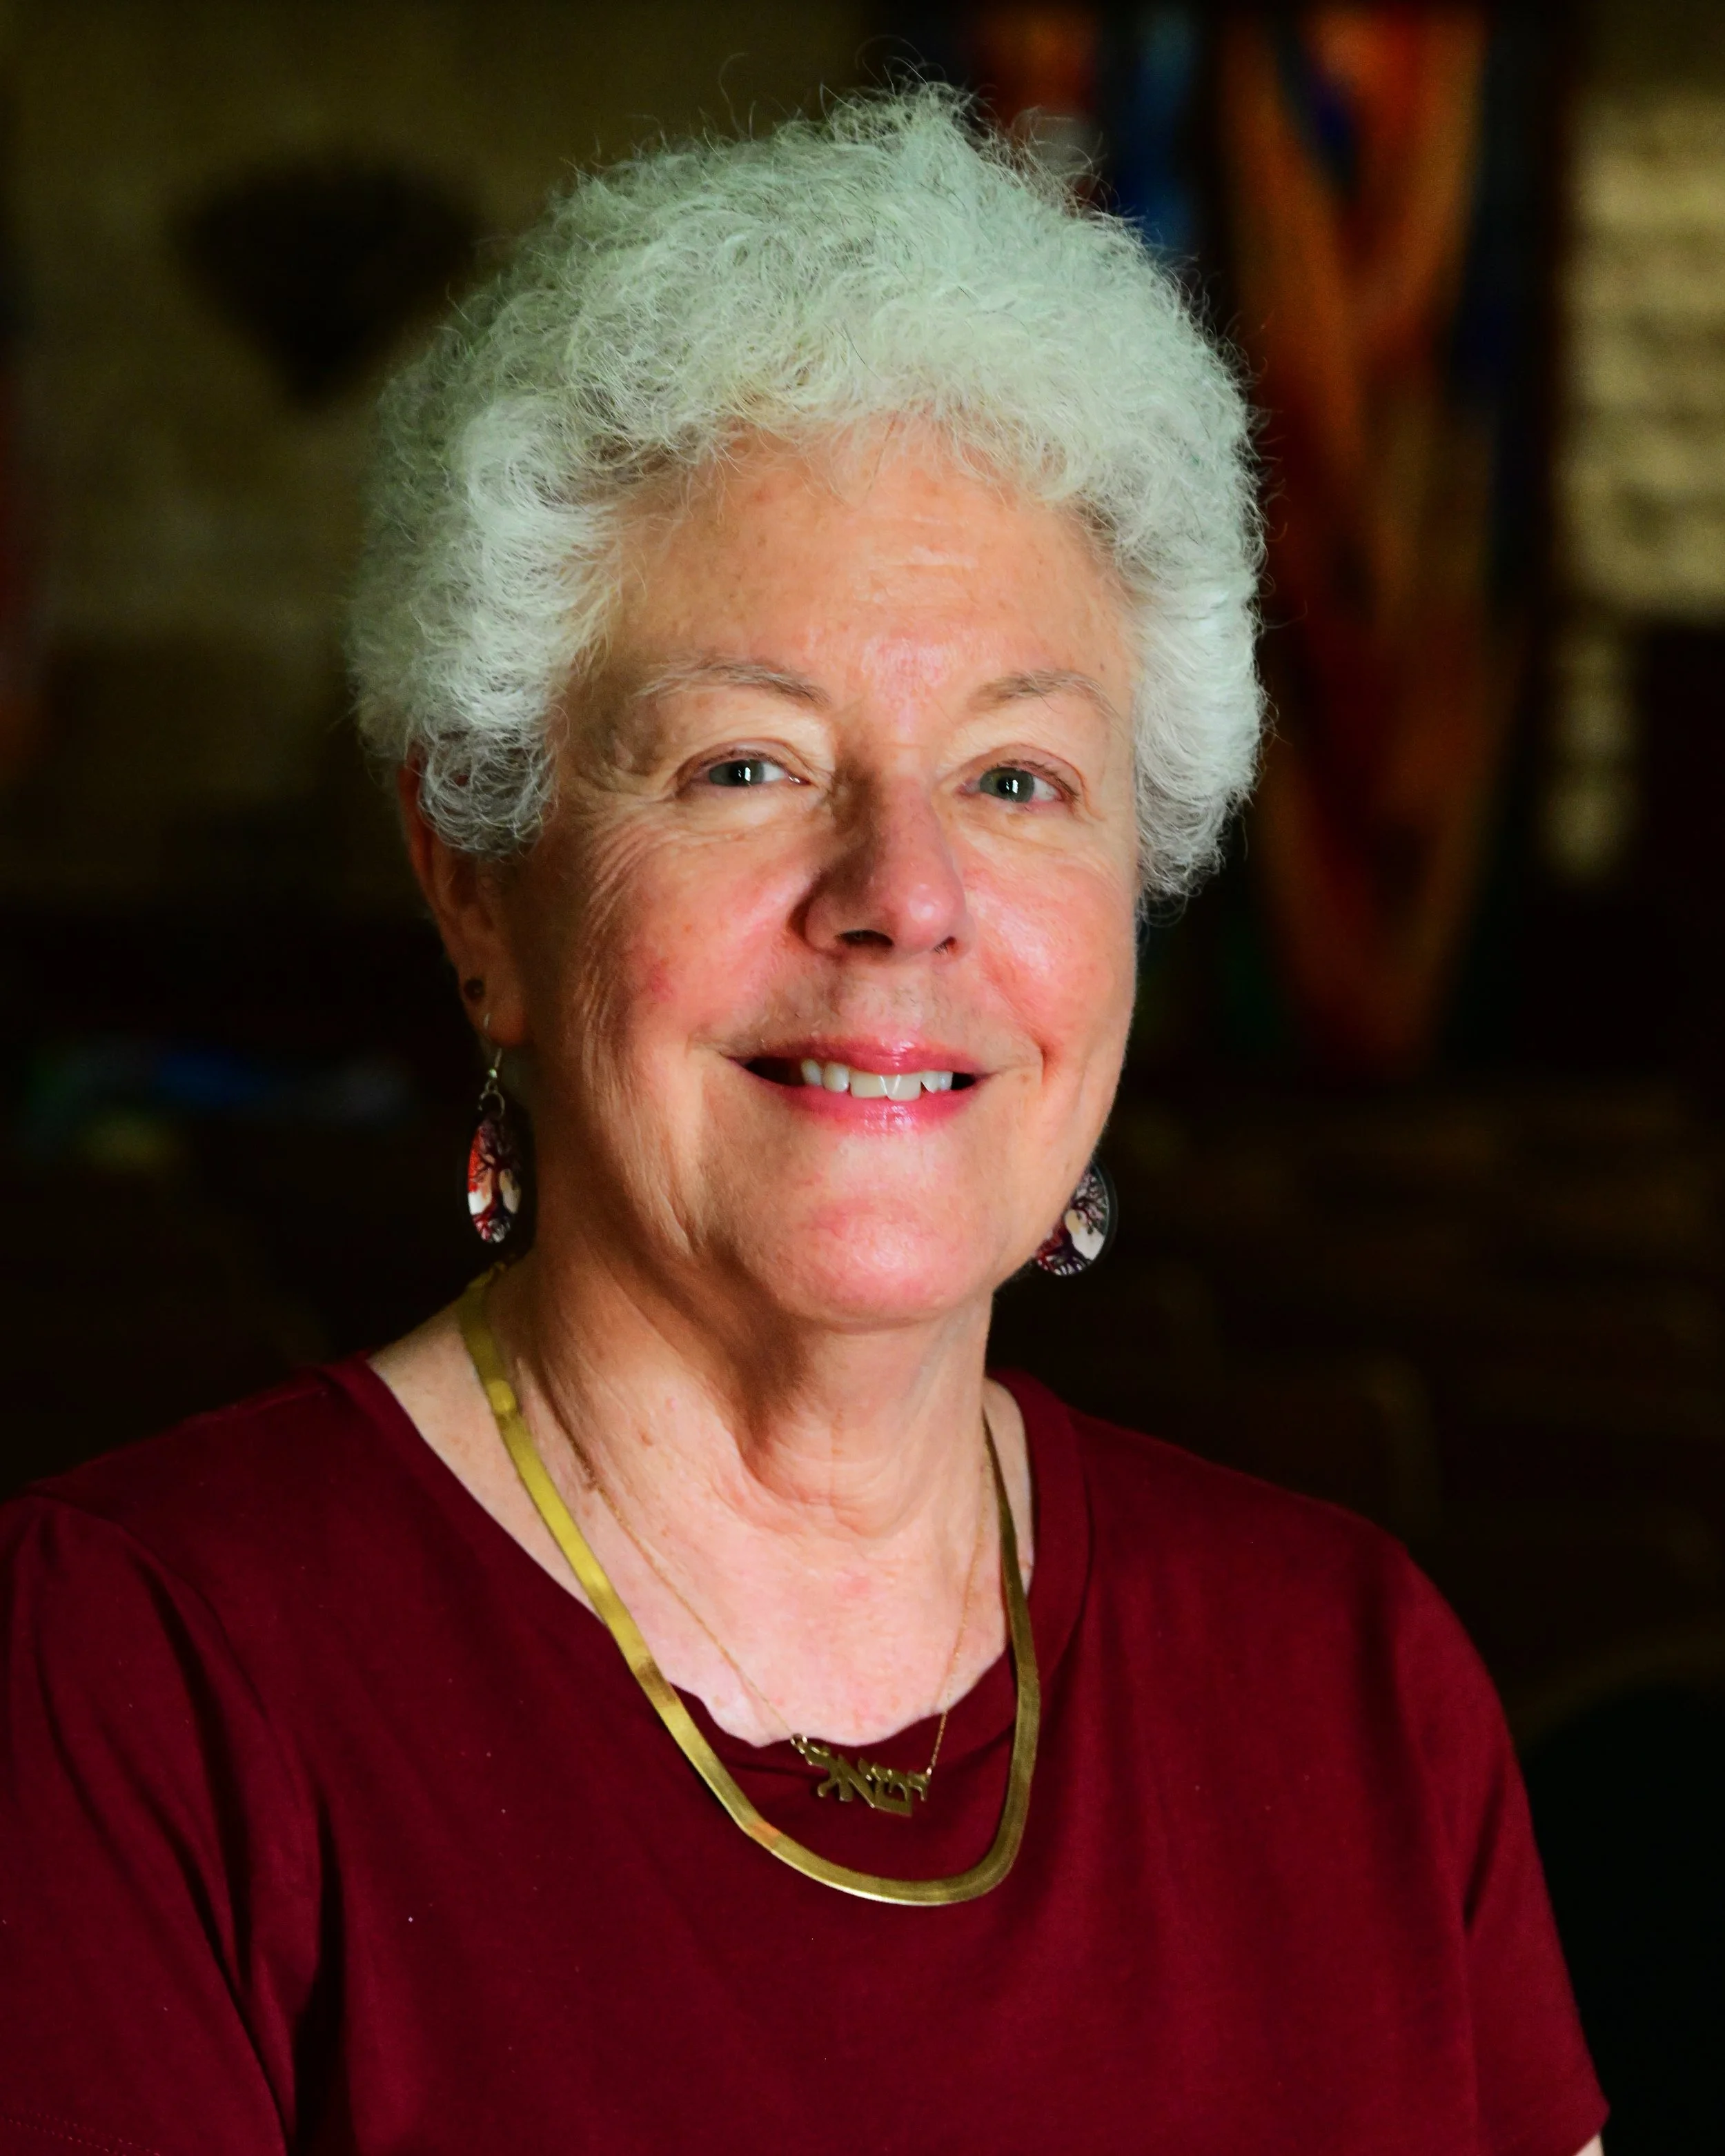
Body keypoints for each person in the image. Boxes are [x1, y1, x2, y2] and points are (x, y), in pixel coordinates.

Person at [0, 92, 1605, 2155]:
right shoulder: (133, 1680)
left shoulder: (1362, 1688)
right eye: (745, 765)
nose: (903, 894)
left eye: (1018, 781)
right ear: (476, 878)